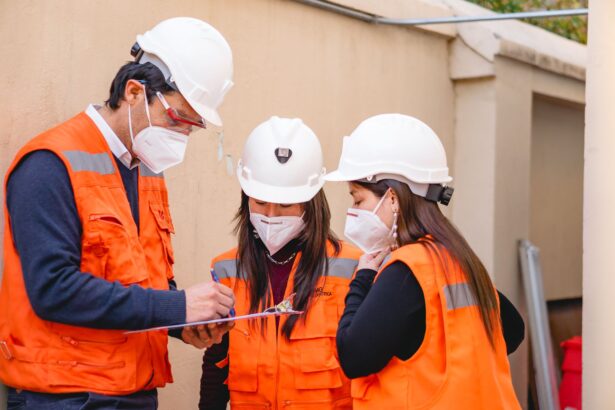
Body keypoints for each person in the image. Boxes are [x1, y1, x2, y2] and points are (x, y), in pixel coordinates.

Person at [0, 17, 236, 409]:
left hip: (133, 390)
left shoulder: (145, 170)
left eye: (193, 127)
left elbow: (139, 283)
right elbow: (53, 290)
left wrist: (183, 323)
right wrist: (176, 307)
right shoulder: (50, 163)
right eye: (179, 118)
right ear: (133, 92)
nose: (182, 136)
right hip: (65, 396)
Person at [325, 113, 525, 409]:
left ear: (392, 198)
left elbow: (354, 356)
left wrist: (364, 277)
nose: (353, 211)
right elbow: (512, 329)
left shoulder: (407, 271)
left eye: (358, 200)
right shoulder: (456, 257)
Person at [199, 116, 362, 409]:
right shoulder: (226, 270)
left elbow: (370, 369)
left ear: (310, 204)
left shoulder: (353, 269)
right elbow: (216, 364)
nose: (271, 215)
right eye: (260, 201)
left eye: (285, 204)